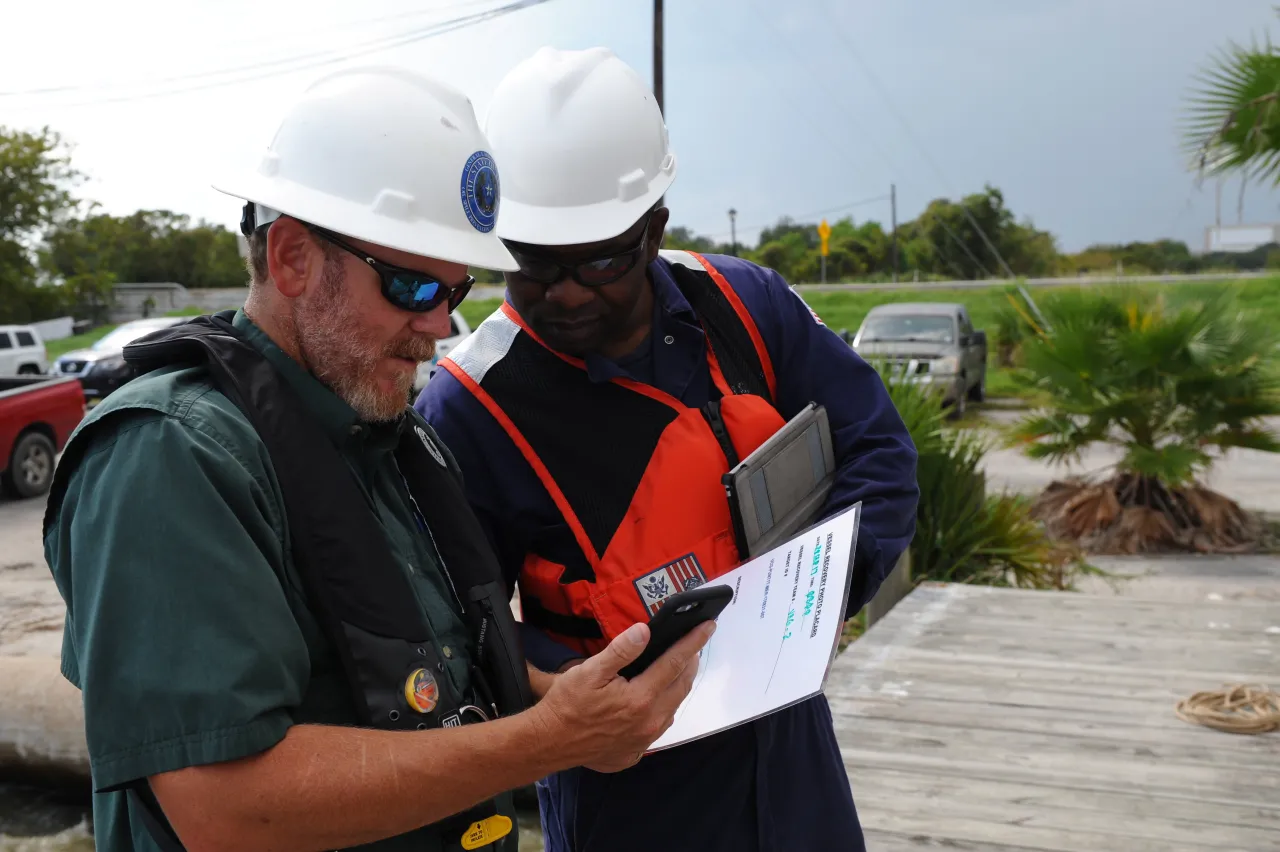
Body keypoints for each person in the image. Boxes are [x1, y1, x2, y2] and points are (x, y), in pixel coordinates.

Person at [41, 65, 711, 852]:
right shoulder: (168, 456)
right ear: (291, 258)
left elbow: (426, 678)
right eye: (411, 288)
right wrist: (548, 741)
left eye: (456, 294)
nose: (439, 328)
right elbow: (222, 807)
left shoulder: (384, 432)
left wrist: (557, 696)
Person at [415, 47, 920, 852]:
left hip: (792, 755)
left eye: (599, 261)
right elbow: (448, 627)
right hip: (627, 790)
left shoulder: (743, 307)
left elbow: (880, 454)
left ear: (653, 230)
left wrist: (813, 611)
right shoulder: (469, 411)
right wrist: (558, 699)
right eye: (533, 262)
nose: (564, 291)